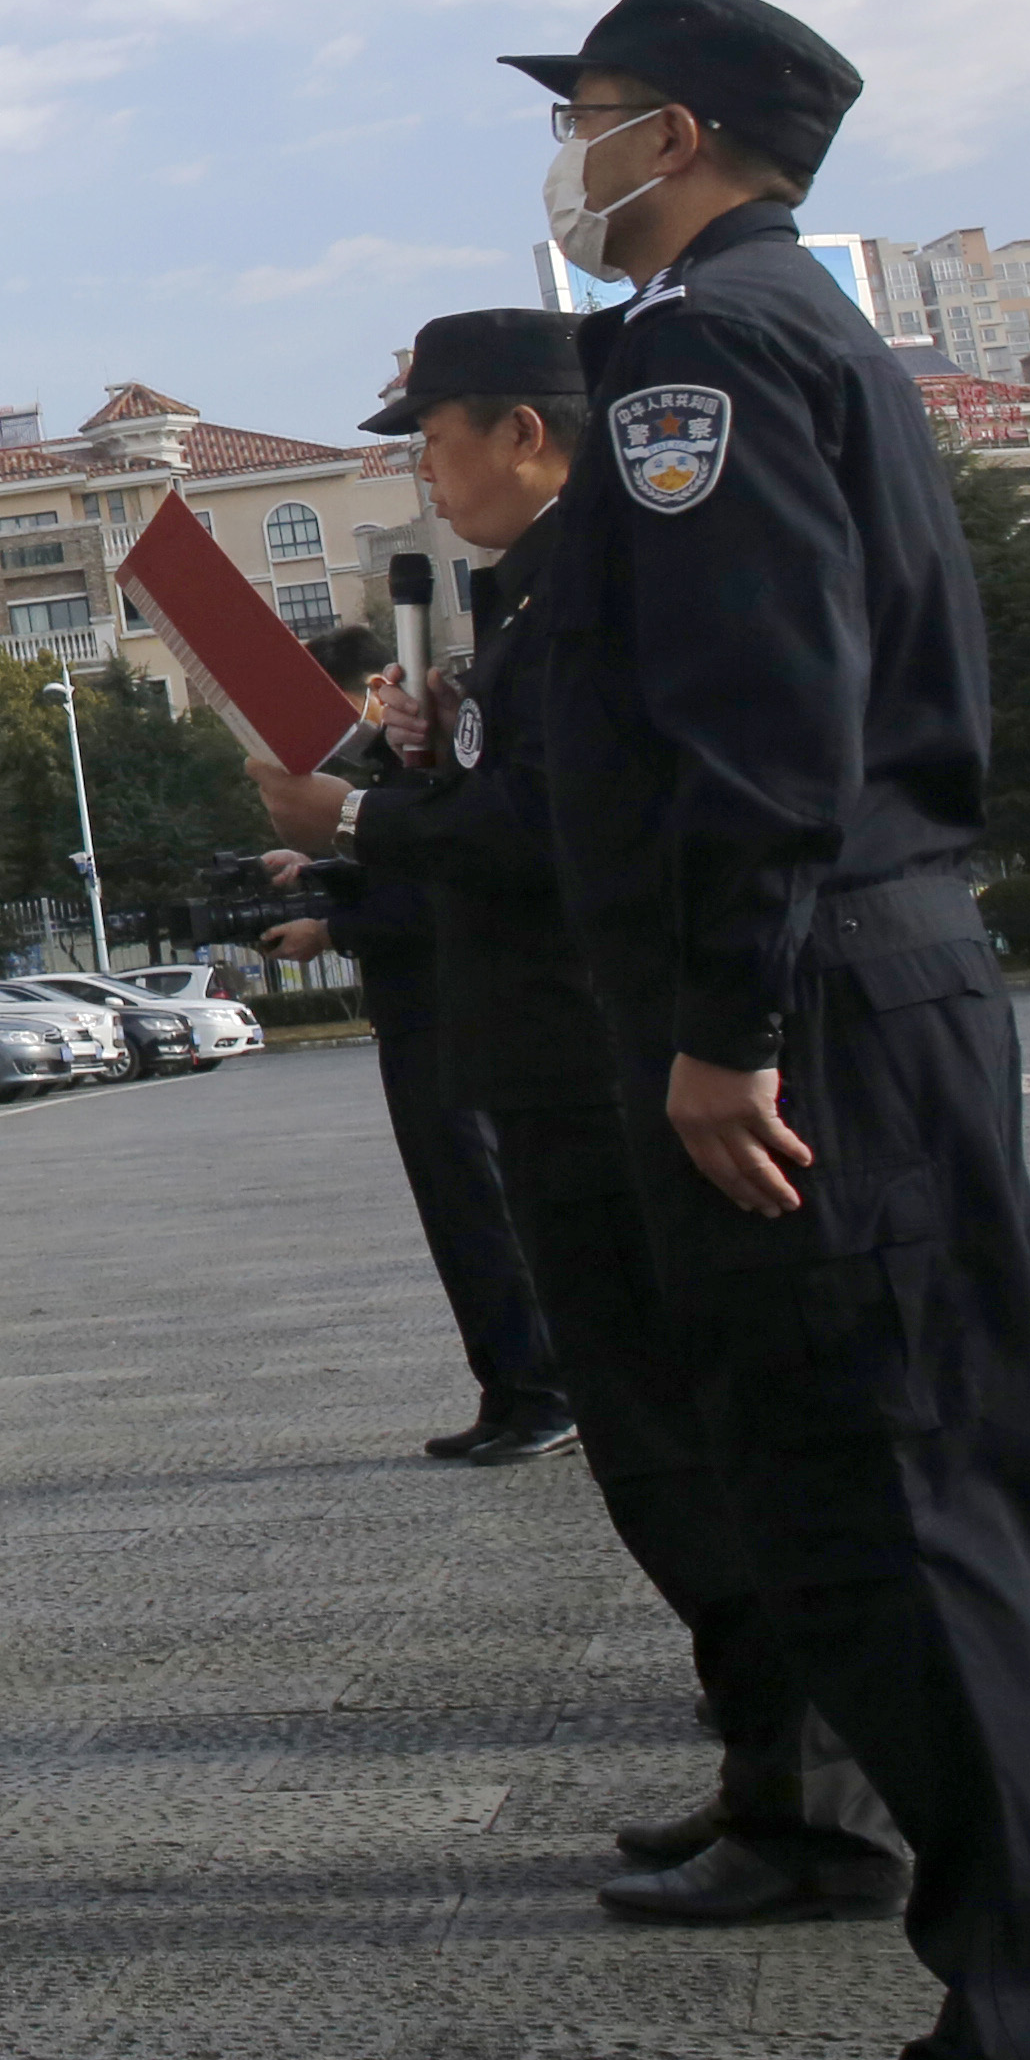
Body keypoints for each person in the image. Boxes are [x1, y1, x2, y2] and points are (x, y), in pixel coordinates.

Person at [509, 0, 1030, 2060]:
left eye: (587, 118)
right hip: (876, 987)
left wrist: (720, 1031)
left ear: (672, 132)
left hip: (804, 1025)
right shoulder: (800, 334)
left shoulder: (701, 350)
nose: (568, 160)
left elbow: (761, 720)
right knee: (945, 1517)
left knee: (892, 1516)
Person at [313, 309, 904, 1934]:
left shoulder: (597, 573)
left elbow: (563, 832)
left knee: (703, 1446)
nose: (423, 478)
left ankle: (817, 1804)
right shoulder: (532, 593)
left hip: (608, 1063)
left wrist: (362, 812)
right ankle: (769, 1776)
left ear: (523, 430)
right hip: (567, 1065)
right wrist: (431, 764)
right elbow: (531, 794)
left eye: (431, 442)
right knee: (658, 1446)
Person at [259, 615, 571, 1469]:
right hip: (415, 1017)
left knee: (483, 1208)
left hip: (454, 1013)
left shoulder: (428, 764)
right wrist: (324, 874)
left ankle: (545, 1389)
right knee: (455, 1216)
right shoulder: (389, 772)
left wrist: (332, 928)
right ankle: (508, 1390)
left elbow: (443, 893)